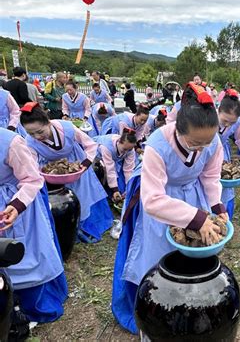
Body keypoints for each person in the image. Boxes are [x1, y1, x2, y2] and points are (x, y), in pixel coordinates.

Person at [111, 83, 227, 334]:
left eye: (207, 143)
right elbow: (152, 200)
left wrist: (217, 206)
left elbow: (210, 176)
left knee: (192, 251)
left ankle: (190, 309)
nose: (202, 148)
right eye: (195, 143)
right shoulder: (157, 144)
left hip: (192, 195)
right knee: (158, 256)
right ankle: (158, 311)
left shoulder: (211, 141)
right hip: (164, 200)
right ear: (179, 128)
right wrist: (196, 218)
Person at [0, 127, 67, 323]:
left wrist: (16, 205)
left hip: (16, 205)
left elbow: (32, 178)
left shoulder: (11, 142)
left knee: (25, 254)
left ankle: (33, 304)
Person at [20, 103, 113, 243]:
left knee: (83, 192)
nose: (36, 136)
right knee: (63, 198)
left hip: (76, 164)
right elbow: (31, 163)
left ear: (48, 122)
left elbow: (90, 144)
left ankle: (86, 224)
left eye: (39, 131)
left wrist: (85, 164)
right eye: (31, 133)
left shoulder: (67, 128)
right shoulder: (30, 142)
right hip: (52, 168)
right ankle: (70, 227)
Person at [218, 90, 240, 219]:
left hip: (223, 154)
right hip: (206, 152)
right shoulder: (208, 117)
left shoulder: (237, 122)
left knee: (224, 184)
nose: (227, 124)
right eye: (225, 120)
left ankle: (224, 217)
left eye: (231, 122)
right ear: (219, 110)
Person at [94, 129, 137, 201]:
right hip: (97, 155)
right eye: (125, 149)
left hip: (114, 157)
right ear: (119, 142)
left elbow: (129, 169)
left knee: (122, 186)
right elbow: (110, 169)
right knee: (103, 173)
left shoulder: (130, 149)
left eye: (129, 150)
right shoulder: (106, 147)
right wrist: (115, 189)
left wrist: (129, 186)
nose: (126, 152)